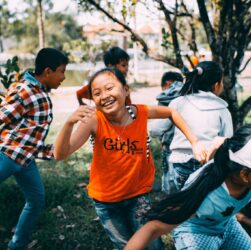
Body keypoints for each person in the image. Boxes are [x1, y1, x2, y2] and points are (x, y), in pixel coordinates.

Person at [53, 67, 206, 250]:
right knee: (126, 246)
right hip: (106, 202)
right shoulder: (94, 120)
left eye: (110, 88)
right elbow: (60, 154)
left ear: (126, 90)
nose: (104, 96)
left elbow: (172, 113)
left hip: (137, 196)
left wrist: (195, 142)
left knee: (152, 245)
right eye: (97, 93)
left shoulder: (140, 113)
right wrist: (69, 123)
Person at [125, 124, 251, 250]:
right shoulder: (205, 195)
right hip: (196, 232)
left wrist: (213, 150)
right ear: (245, 175)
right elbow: (152, 228)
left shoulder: (233, 157)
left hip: (226, 224)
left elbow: (221, 141)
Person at [0, 48, 68, 250]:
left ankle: (17, 245)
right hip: (7, 156)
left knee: (36, 199)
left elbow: (31, 134)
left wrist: (50, 150)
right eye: (62, 71)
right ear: (48, 71)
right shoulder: (25, 90)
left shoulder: (40, 91)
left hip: (25, 160)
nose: (63, 77)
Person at [161, 61, 233, 193]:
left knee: (182, 201)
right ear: (216, 85)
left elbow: (158, 128)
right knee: (200, 202)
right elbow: (227, 140)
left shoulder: (177, 103)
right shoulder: (222, 110)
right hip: (207, 164)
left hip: (180, 163)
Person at [149, 71, 183, 192]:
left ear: (168, 83)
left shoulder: (166, 98)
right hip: (188, 147)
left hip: (169, 146)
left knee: (170, 184)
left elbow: (156, 129)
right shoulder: (188, 96)